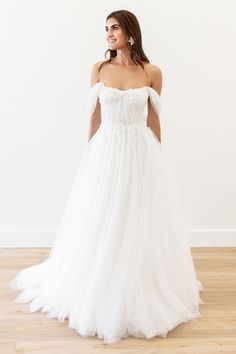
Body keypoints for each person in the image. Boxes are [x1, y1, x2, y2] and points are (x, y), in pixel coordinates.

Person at [10, 9, 204, 344]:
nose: (109, 34)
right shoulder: (99, 69)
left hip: (140, 152)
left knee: (137, 216)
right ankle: (100, 283)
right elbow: (94, 116)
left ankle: (139, 284)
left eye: (114, 28)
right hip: (107, 150)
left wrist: (158, 160)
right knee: (102, 215)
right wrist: (89, 156)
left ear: (130, 33)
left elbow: (154, 121)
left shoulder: (152, 72)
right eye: (106, 29)